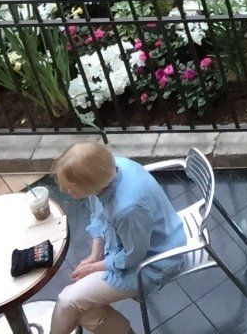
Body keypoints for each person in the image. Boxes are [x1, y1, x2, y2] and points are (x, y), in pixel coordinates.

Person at [48, 141, 185, 334]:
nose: (64, 191)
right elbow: (99, 215)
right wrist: (95, 255)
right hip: (131, 243)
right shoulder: (109, 169)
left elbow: (133, 256)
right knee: (85, 312)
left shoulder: (127, 209)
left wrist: (96, 267)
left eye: (70, 187)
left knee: (67, 301)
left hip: (152, 262)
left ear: (89, 183)